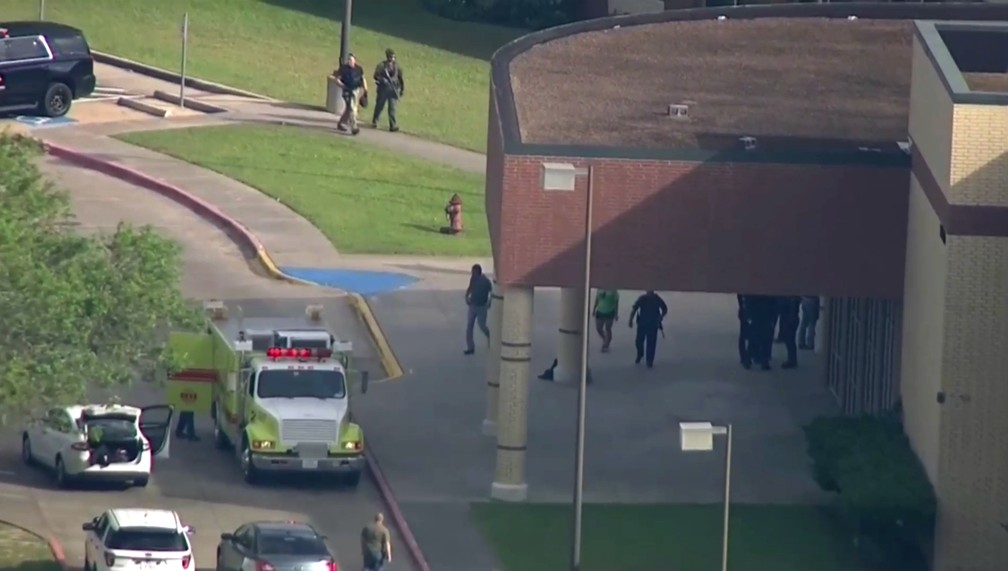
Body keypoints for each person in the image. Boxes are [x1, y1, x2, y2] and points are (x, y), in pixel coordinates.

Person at [628, 290, 667, 368]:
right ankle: (640, 354)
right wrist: (630, 320)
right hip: (642, 323)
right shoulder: (642, 298)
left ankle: (649, 360)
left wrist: (660, 317)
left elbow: (665, 309)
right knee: (639, 341)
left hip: (653, 324)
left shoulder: (657, 299)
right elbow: (634, 309)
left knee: (651, 343)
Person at [372, 48, 404, 132]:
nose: (392, 59)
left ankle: (392, 125)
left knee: (392, 109)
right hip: (383, 90)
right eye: (391, 57)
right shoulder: (381, 66)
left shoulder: (397, 67)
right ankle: (375, 120)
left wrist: (401, 90)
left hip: (393, 91)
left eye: (393, 57)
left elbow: (400, 79)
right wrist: (382, 79)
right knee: (379, 106)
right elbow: (375, 76)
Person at [334, 53, 367, 135]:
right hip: (347, 91)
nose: (350, 61)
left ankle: (341, 123)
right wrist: (342, 85)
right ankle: (354, 127)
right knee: (352, 108)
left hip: (356, 90)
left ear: (355, 60)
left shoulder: (359, 69)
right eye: (349, 60)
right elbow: (337, 79)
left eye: (351, 60)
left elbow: (363, 79)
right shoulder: (343, 69)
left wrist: (365, 89)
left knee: (349, 108)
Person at [464, 264, 492, 355]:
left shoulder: (486, 281)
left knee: (482, 325)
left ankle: (489, 336)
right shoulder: (473, 279)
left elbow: (492, 292)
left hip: (482, 307)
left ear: (477, 272)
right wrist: (466, 296)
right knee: (469, 326)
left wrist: (489, 302)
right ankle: (470, 347)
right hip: (473, 305)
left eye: (473, 272)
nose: (472, 273)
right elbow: (470, 288)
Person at [744, 295, 776, 371]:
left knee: (754, 339)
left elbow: (748, 300)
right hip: (765, 315)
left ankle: (749, 360)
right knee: (764, 340)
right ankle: (763, 361)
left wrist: (748, 315)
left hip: (757, 315)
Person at [777, 296, 801, 369]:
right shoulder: (793, 298)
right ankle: (792, 359)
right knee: (790, 341)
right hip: (791, 319)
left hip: (789, 320)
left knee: (790, 341)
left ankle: (792, 360)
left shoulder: (789, 299)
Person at [737, 294, 752, 370]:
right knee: (744, 335)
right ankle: (745, 357)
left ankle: (746, 356)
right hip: (746, 310)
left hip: (747, 309)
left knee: (745, 335)